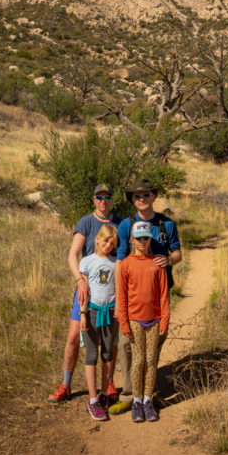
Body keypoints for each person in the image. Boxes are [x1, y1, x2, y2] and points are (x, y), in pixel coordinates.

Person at [109, 179, 182, 415]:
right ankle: (130, 396)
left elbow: (178, 253)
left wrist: (168, 260)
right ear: (132, 200)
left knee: (153, 350)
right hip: (132, 297)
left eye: (146, 194)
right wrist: (119, 300)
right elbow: (120, 261)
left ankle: (148, 394)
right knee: (126, 346)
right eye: (137, 195)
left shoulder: (166, 224)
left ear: (153, 197)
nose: (142, 198)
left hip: (157, 290)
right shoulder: (126, 225)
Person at [48, 183, 121, 403]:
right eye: (99, 197)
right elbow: (73, 255)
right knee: (73, 337)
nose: (103, 201)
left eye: (107, 197)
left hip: (109, 293)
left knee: (111, 341)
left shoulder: (119, 223)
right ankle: (65, 384)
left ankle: (108, 383)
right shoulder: (86, 222)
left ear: (111, 200)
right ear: (93, 199)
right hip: (86, 289)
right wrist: (80, 280)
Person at [118, 221, 169, 422]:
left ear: (150, 239)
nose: (142, 241)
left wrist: (164, 321)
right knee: (138, 361)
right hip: (135, 321)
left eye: (146, 238)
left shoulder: (157, 263)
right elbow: (122, 296)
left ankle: (148, 400)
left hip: (155, 320)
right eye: (138, 238)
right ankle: (137, 401)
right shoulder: (126, 264)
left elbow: (164, 295)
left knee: (151, 360)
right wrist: (124, 322)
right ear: (132, 239)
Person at [79, 224, 119, 421]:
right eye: (105, 240)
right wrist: (83, 313)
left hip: (110, 312)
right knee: (92, 354)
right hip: (93, 311)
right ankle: (93, 399)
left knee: (108, 353)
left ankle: (104, 393)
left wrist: (119, 309)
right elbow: (84, 290)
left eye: (112, 243)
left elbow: (118, 288)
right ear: (97, 239)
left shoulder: (116, 262)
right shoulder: (87, 262)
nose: (108, 245)